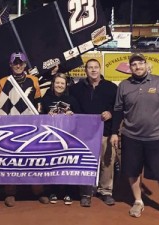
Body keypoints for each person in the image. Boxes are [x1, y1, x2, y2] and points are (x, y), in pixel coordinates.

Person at [110, 53, 159, 221]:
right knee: (133, 172)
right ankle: (138, 201)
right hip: (131, 137)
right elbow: (118, 110)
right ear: (130, 68)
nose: (137, 67)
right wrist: (114, 132)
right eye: (134, 64)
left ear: (146, 64)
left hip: (156, 138)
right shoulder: (123, 86)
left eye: (140, 63)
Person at [0, 52, 49, 207]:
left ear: (25, 65)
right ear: (10, 65)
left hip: (31, 128)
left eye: (21, 63)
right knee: (11, 161)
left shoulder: (33, 81)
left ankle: (39, 191)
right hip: (11, 129)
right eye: (15, 63)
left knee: (34, 161)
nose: (18, 66)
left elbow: (38, 105)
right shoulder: (3, 82)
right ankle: (10, 193)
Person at [69, 59, 117, 207]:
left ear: (100, 69)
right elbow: (72, 107)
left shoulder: (111, 87)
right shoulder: (76, 89)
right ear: (86, 70)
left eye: (96, 67)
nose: (93, 70)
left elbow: (118, 108)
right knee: (86, 162)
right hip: (84, 134)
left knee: (107, 162)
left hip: (105, 131)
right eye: (90, 67)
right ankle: (86, 192)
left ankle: (106, 191)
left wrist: (110, 113)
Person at [40, 72, 80, 205]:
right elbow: (39, 116)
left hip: (68, 137)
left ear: (66, 85)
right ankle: (53, 191)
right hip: (50, 137)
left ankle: (69, 192)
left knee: (67, 164)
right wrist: (47, 114)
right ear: (53, 84)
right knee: (53, 164)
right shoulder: (46, 98)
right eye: (57, 83)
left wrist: (72, 114)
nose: (59, 85)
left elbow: (80, 117)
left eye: (62, 83)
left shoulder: (72, 99)